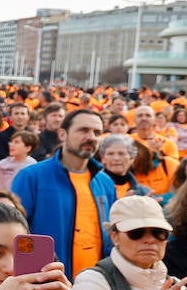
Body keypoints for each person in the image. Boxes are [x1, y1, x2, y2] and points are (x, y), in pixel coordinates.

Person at [11, 108, 115, 279]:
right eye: (83, 130)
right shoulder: (32, 177)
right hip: (47, 283)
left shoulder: (105, 183)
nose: (91, 137)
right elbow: (15, 232)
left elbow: (111, 235)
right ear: (62, 134)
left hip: (96, 283)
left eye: (97, 132)